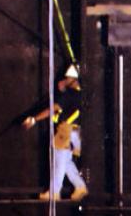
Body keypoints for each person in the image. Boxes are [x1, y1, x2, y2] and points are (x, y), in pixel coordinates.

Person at [22, 64, 88, 201]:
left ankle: (54, 192)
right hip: (77, 132)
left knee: (59, 160)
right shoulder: (80, 94)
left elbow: (54, 108)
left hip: (66, 131)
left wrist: (35, 119)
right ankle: (80, 187)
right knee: (67, 161)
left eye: (68, 77)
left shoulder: (70, 94)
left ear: (74, 79)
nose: (66, 78)